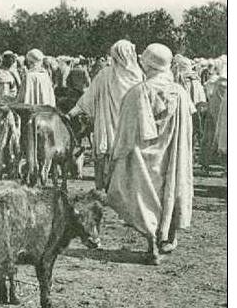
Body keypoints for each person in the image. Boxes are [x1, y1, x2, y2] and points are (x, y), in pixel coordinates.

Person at [106, 43, 194, 266]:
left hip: (143, 159)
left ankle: (152, 245)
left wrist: (117, 156)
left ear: (149, 63)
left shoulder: (137, 92)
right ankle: (169, 238)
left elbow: (125, 130)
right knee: (172, 190)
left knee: (145, 196)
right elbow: (188, 130)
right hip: (172, 156)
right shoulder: (181, 93)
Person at [68, 39, 143, 189]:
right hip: (130, 129)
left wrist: (72, 113)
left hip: (108, 128)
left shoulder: (104, 75)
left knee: (107, 158)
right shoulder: (139, 76)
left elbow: (88, 98)